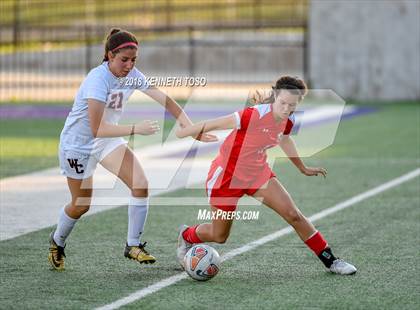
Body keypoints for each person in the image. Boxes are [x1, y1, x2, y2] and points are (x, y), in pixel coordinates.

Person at [48, 28, 216, 270]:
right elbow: (96, 128)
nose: (129, 65)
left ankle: (133, 245)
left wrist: (190, 128)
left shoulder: (133, 74)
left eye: (133, 60)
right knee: (81, 204)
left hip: (107, 140)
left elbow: (165, 100)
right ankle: (57, 241)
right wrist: (136, 128)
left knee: (140, 184)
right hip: (78, 145)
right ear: (109, 55)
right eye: (124, 60)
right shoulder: (97, 79)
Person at [176, 76, 357, 275]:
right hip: (226, 177)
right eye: (283, 103)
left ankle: (331, 261)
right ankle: (187, 235)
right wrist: (188, 133)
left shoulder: (289, 120)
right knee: (219, 236)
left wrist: (302, 167)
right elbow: (215, 123)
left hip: (257, 174)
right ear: (275, 96)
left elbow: (285, 140)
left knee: (293, 214)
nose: (287, 109)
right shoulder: (252, 115)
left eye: (292, 105)